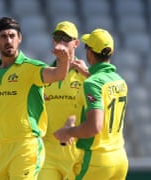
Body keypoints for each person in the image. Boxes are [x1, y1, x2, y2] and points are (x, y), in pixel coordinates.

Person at [0, 16, 71, 180]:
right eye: (3, 36)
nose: (8, 40)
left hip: (26, 145)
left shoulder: (31, 68)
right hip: (1, 148)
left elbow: (58, 75)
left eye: (12, 36)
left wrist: (64, 59)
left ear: (20, 38)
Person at [54, 28, 129, 180]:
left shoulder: (92, 83)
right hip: (119, 159)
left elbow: (94, 127)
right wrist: (89, 73)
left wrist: (68, 132)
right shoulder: (119, 80)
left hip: (96, 161)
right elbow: (103, 91)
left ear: (89, 52)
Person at [38, 21, 89, 180]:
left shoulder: (86, 75)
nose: (61, 42)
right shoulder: (45, 74)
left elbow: (107, 98)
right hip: (48, 151)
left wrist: (88, 74)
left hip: (77, 152)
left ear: (76, 43)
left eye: (66, 39)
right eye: (57, 38)